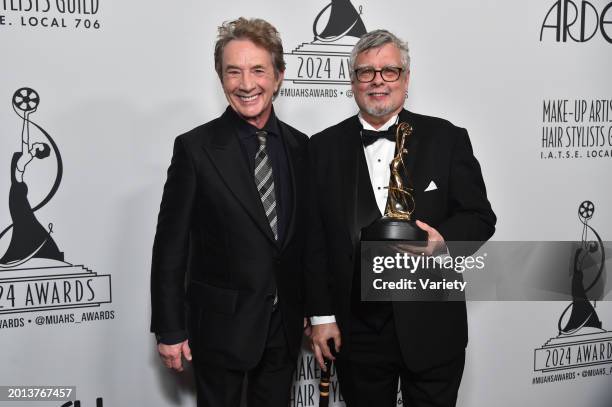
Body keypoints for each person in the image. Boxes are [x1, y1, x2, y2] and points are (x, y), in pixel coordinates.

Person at [306, 29, 496, 407]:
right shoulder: (320, 147)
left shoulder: (448, 138)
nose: (378, 81)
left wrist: (442, 242)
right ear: (352, 81)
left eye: (389, 71)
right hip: (356, 330)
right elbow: (314, 241)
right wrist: (321, 316)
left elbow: (479, 217)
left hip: (433, 326)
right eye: (366, 72)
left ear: (406, 79)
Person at [150, 17, 309, 407]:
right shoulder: (195, 148)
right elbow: (170, 247)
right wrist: (169, 328)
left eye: (258, 70)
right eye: (233, 71)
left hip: (283, 329)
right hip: (220, 330)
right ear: (220, 77)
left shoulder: (301, 147)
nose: (246, 83)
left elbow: (305, 240)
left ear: (279, 76)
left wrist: (313, 309)